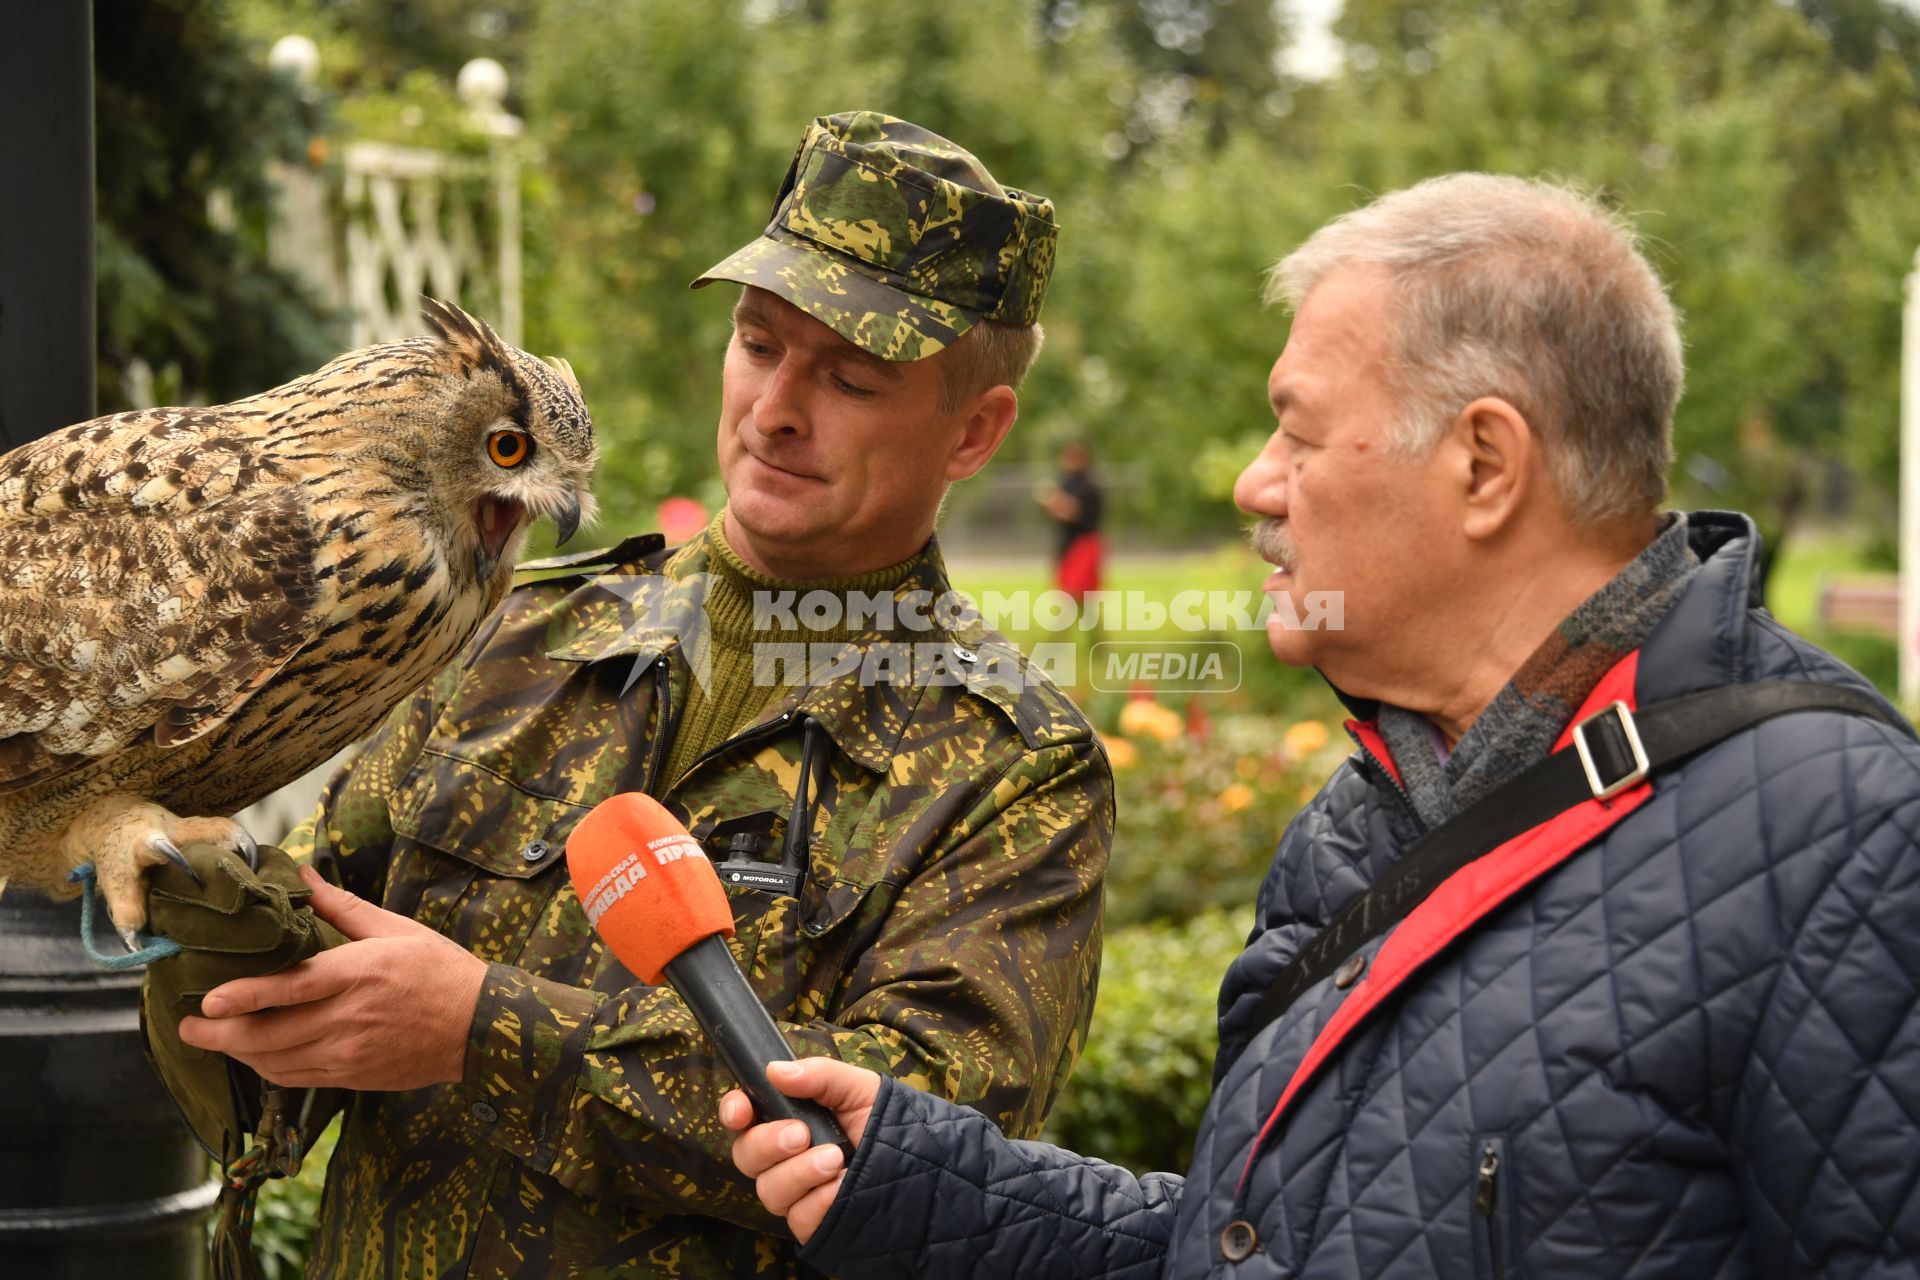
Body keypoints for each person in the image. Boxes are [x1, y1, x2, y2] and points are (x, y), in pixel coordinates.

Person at [723, 173, 1920, 1277]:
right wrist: (930, 1182)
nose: (1254, 481)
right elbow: (1271, 1243)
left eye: (1297, 430)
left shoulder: (1846, 840)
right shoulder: (1372, 815)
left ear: (1485, 463)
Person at [176, 111, 1114, 1278]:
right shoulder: (505, 633)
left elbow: (910, 1150)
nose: (775, 407)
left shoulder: (1013, 764)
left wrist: (483, 1028)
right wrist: (186, 901)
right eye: (758, 342)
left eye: (852, 377)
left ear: (974, 431)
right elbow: (295, 972)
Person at [1039, 439, 1104, 601]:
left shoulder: (1087, 485)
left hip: (1084, 543)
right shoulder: (1068, 482)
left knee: (1075, 592)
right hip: (1069, 543)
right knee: (1074, 593)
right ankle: (1088, 624)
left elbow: (1071, 511)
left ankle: (1066, 625)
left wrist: (1054, 504)